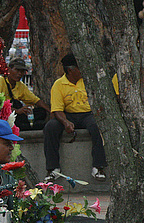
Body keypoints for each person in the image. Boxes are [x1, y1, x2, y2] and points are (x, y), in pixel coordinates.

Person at [43, 53, 107, 182]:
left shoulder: (89, 80)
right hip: (67, 114)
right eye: (79, 67)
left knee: (98, 126)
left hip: (88, 114)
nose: (83, 69)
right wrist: (65, 122)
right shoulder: (59, 84)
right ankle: (53, 168)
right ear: (71, 70)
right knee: (50, 127)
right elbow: (57, 109)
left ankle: (98, 166)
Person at [0, 57, 50, 131]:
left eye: (22, 71)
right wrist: (17, 111)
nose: (19, 74)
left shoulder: (21, 85)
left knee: (41, 112)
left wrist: (50, 111)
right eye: (17, 70)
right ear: (9, 69)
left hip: (18, 114)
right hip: (6, 115)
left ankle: (30, 125)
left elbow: (35, 100)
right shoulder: (1, 80)